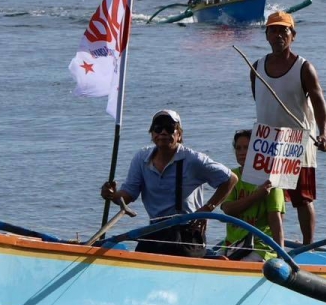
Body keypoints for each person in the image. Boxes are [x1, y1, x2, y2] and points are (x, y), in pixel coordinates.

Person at [100, 109, 237, 258]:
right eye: (158, 128)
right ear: (152, 134)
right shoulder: (141, 159)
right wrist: (112, 195)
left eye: (170, 128)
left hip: (187, 231)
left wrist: (207, 208)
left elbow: (230, 179)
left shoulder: (194, 160)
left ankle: (211, 260)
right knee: (139, 258)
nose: (163, 132)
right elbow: (127, 196)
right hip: (156, 230)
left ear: (179, 134)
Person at [250, 10, 326, 246]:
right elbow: (260, 101)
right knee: (269, 197)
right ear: (266, 36)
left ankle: (307, 247)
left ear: (293, 35)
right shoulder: (256, 67)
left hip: (298, 141)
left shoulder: (304, 68)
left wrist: (323, 134)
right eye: (273, 30)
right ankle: (274, 246)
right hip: (267, 142)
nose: (278, 35)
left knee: (302, 199)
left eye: (283, 30)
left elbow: (318, 103)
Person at [219, 128, 286, 261]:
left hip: (260, 247)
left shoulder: (270, 179)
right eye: (238, 148)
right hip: (232, 244)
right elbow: (228, 209)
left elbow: (276, 220)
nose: (242, 153)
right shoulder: (232, 176)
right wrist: (257, 195)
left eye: (247, 148)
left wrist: (281, 255)